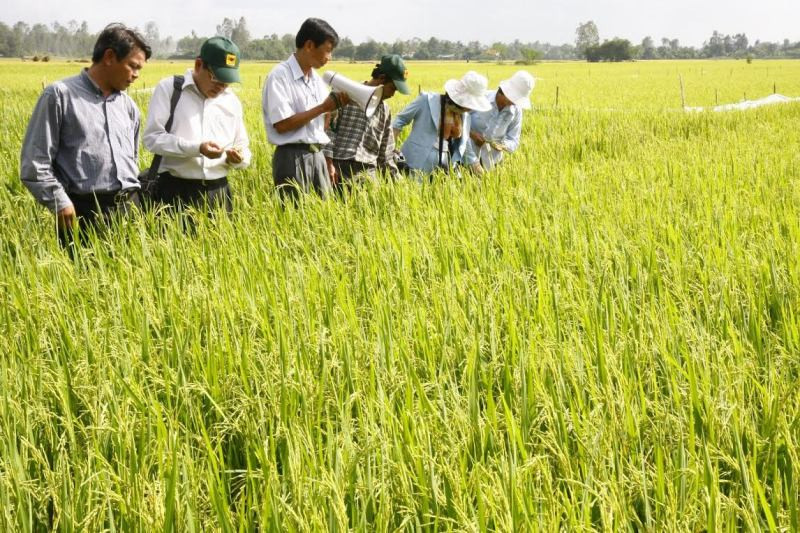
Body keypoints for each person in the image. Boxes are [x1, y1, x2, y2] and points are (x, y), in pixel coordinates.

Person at [19, 23, 151, 249]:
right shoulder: (60, 96)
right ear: (109, 57)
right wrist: (61, 203)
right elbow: (35, 163)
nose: (136, 75)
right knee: (85, 281)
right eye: (133, 66)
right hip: (84, 212)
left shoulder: (129, 106)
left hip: (130, 209)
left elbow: (132, 158)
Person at [143, 36, 251, 214]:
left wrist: (238, 158)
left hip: (219, 193)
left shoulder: (231, 101)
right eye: (216, 79)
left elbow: (243, 146)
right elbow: (152, 139)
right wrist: (198, 148)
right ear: (198, 65)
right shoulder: (170, 90)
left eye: (226, 83)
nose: (221, 87)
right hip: (175, 191)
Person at [262, 18, 348, 200]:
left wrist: (332, 110)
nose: (329, 58)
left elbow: (320, 126)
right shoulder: (280, 76)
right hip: (292, 157)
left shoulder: (317, 81)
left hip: (317, 154)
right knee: (293, 216)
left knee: (322, 217)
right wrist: (323, 107)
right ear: (309, 45)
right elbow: (282, 124)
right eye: (327, 51)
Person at [323, 54, 410, 186]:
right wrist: (328, 164)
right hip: (338, 168)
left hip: (368, 174)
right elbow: (328, 130)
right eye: (392, 88)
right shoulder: (345, 94)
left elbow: (386, 154)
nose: (393, 94)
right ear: (381, 78)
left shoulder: (385, 111)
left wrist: (400, 184)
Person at [392, 71, 491, 176]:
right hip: (414, 165)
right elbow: (399, 120)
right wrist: (391, 149)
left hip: (443, 171)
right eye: (470, 103)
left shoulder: (464, 116)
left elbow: (465, 146)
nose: (471, 108)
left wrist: (480, 171)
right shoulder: (426, 101)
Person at [464, 70, 534, 171]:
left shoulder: (516, 111)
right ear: (505, 92)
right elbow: (459, 121)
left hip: (493, 164)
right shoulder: (481, 99)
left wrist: (503, 145)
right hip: (467, 159)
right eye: (514, 98)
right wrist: (472, 135)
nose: (515, 103)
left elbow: (514, 140)